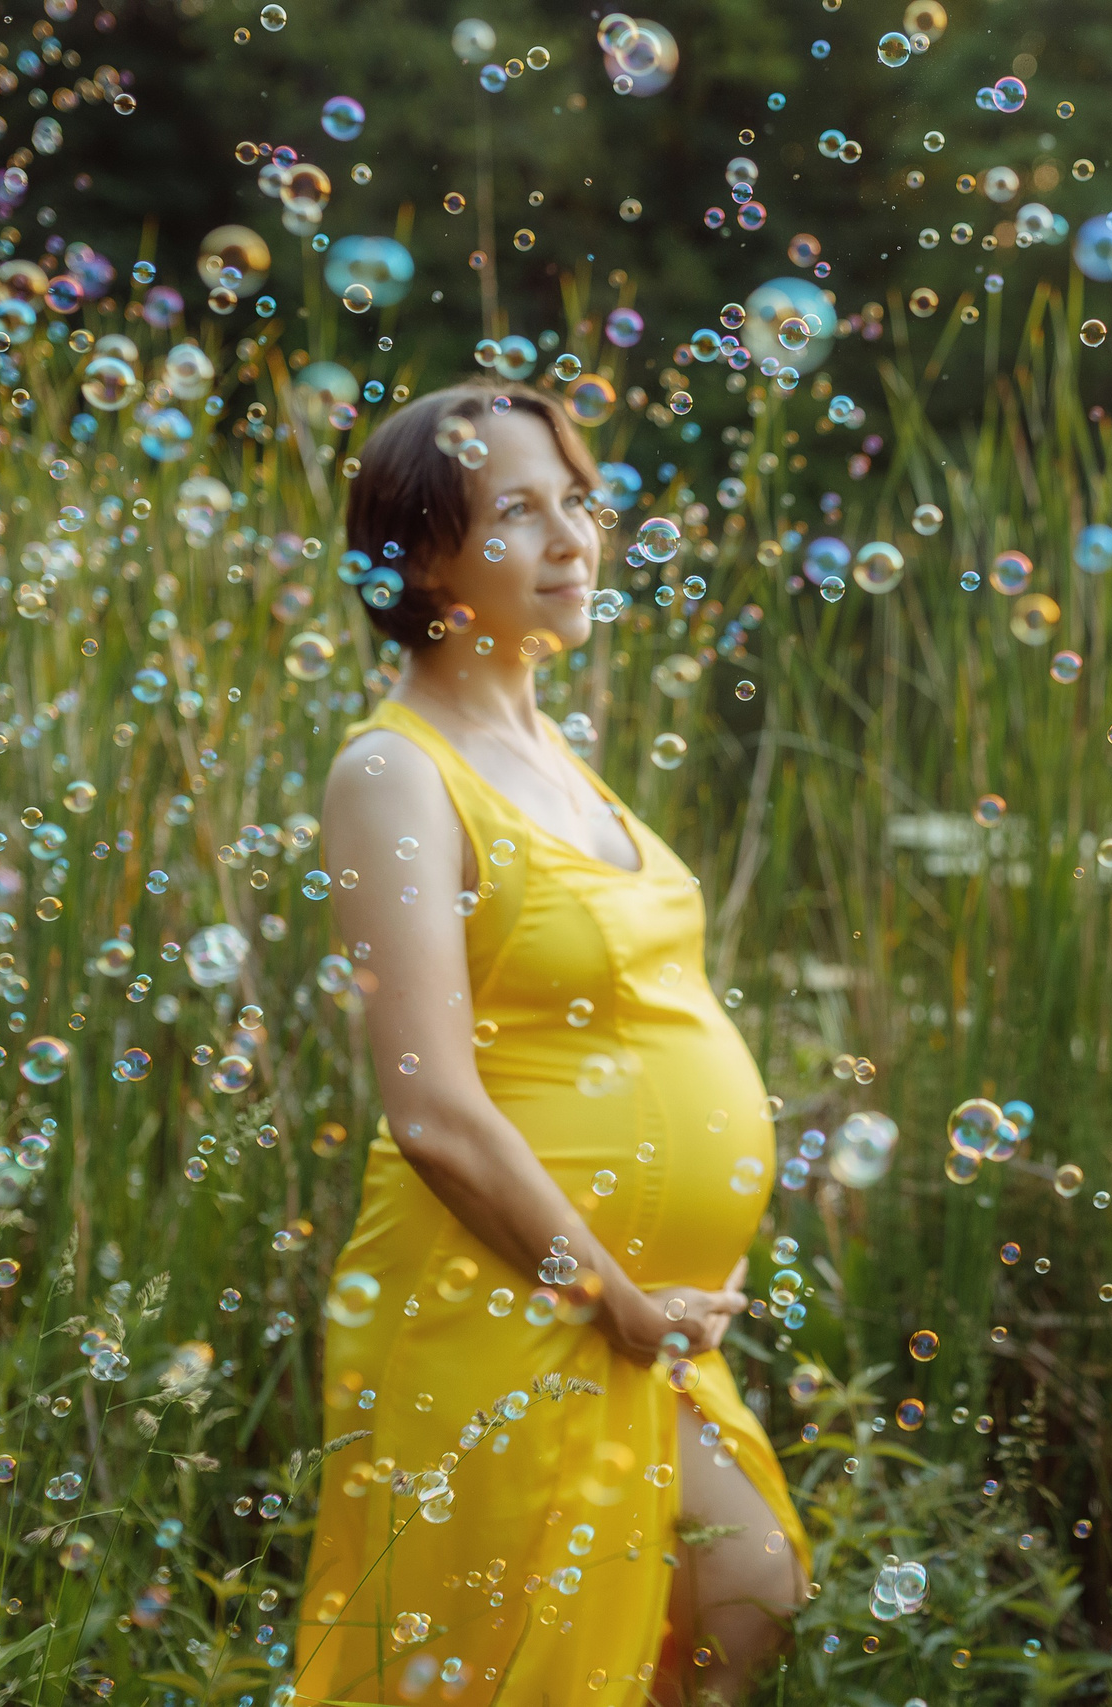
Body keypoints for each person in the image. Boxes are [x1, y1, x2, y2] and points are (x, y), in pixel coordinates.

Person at [287, 380, 808, 1707]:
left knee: (739, 1604)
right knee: (516, 1669)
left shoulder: (560, 756)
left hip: (634, 1315)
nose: (574, 535)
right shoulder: (393, 770)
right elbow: (434, 1111)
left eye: (578, 498)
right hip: (504, 1296)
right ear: (420, 558)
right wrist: (620, 1302)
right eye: (516, 509)